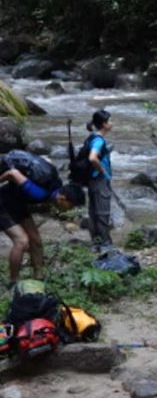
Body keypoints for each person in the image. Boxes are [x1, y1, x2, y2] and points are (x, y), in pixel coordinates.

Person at [0, 157, 84, 281]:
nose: (69, 209)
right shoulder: (38, 193)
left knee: (36, 240)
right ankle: (14, 281)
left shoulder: (56, 185)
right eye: (70, 206)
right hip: (2, 203)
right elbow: (13, 173)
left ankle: (39, 276)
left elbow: (47, 160)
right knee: (21, 241)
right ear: (62, 198)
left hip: (16, 201)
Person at [84, 109, 114, 248]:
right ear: (104, 124)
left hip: (91, 179)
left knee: (94, 211)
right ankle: (105, 245)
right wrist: (102, 171)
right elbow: (92, 158)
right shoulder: (98, 140)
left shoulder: (91, 137)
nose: (112, 123)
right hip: (99, 179)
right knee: (102, 212)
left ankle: (95, 243)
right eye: (110, 121)